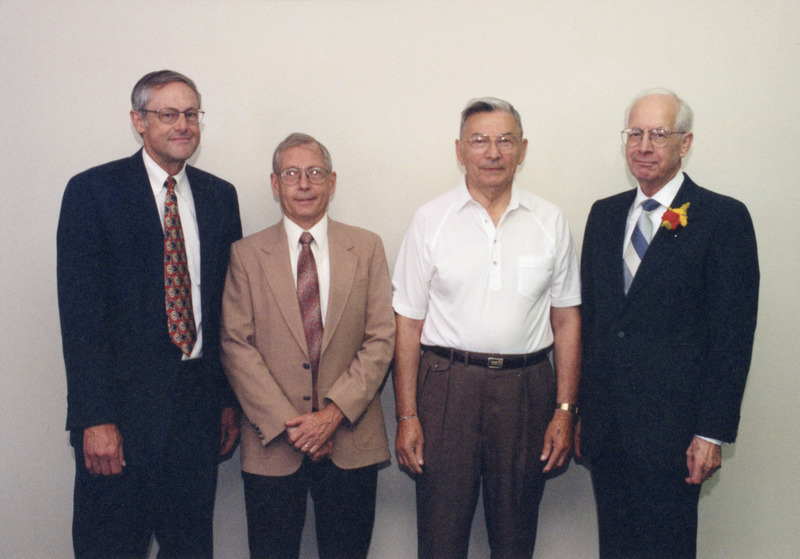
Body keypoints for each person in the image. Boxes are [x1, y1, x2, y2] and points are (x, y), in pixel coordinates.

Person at [57, 70, 243, 558]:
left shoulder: (220, 197)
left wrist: (227, 401)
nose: (182, 125)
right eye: (167, 114)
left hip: (196, 412)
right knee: (111, 548)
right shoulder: (93, 193)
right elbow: (81, 318)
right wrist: (95, 417)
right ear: (139, 121)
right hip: (119, 416)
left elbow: (228, 309)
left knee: (189, 548)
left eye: (190, 114)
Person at [392, 97, 582, 559]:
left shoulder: (550, 221)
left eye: (505, 140)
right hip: (446, 387)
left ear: (522, 149)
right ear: (460, 150)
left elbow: (567, 319)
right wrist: (407, 415)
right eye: (479, 141)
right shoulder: (429, 221)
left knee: (515, 537)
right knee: (440, 536)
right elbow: (407, 325)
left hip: (527, 390)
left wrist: (564, 410)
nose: (492, 152)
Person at [577, 88, 760, 559]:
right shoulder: (604, 214)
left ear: (686, 142)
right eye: (635, 133)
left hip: (675, 435)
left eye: (659, 134)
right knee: (614, 548)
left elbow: (732, 336)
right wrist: (582, 410)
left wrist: (711, 432)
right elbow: (594, 322)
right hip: (608, 428)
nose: (644, 145)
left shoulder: (723, 219)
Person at [220, 133, 395, 559]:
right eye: (291, 173)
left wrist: (332, 416)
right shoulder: (246, 254)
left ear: (331, 182)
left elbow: (382, 337)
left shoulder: (367, 247)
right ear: (275, 184)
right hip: (273, 444)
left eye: (315, 173)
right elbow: (235, 345)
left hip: (350, 439)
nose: (304, 183)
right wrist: (294, 426)